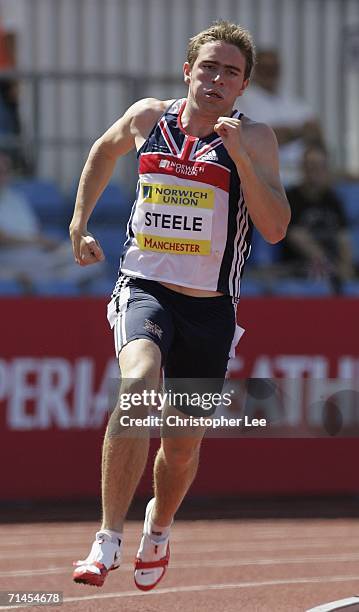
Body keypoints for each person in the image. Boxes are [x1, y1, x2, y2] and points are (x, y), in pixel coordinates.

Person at [69, 20, 290, 591]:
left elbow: (274, 228)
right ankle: (106, 538)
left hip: (211, 308)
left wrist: (239, 157)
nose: (217, 78)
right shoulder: (149, 117)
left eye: (231, 72)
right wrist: (79, 223)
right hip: (145, 289)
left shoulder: (256, 138)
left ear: (243, 87)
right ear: (187, 70)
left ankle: (158, 527)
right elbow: (103, 149)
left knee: (183, 448)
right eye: (209, 66)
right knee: (136, 386)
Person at [0, 151, 102, 292]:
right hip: (10, 256)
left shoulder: (16, 198)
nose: (3, 175)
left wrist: (44, 243)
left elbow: (34, 229)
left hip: (35, 253)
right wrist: (39, 241)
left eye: (6, 171)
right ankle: (39, 281)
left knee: (90, 257)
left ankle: (45, 281)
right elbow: (3, 239)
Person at [237, 49, 324, 187]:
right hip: (263, 179)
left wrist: (286, 133)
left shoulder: (292, 101)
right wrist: (299, 132)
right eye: (265, 68)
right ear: (255, 70)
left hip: (302, 181)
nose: (270, 72)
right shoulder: (242, 100)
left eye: (274, 68)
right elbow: (257, 139)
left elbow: (316, 133)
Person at [281, 145, 354, 293]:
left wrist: (346, 265)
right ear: (303, 168)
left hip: (335, 266)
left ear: (326, 169)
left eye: (320, 166)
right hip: (300, 265)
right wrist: (330, 265)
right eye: (310, 166)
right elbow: (296, 236)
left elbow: (343, 236)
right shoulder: (291, 197)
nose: (315, 171)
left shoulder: (334, 200)